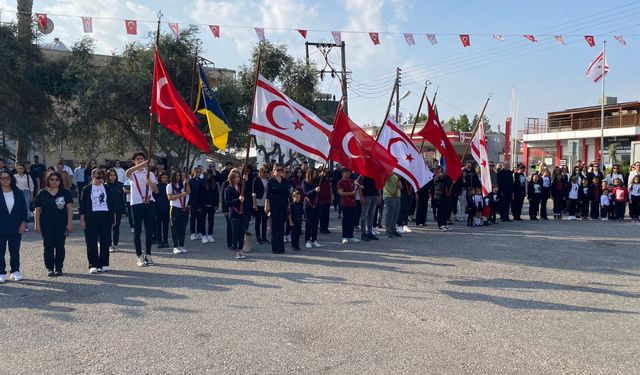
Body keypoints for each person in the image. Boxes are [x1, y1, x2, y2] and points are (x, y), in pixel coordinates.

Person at [33, 172, 73, 277]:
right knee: (48, 246)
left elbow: (69, 209)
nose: (54, 181)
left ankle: (59, 268)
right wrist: (37, 224)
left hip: (61, 224)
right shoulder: (42, 193)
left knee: (60, 246)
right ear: (48, 180)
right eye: (52, 179)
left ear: (60, 181)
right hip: (46, 224)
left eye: (56, 179)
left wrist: (69, 223)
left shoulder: (65, 193)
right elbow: (37, 210)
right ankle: (50, 268)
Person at [125, 152, 159, 267]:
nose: (140, 160)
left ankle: (148, 254)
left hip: (149, 203)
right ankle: (139, 256)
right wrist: (145, 163)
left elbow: (156, 191)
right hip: (136, 204)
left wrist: (151, 184)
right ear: (134, 161)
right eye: (138, 159)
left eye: (142, 158)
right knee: (137, 231)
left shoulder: (150, 173)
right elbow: (127, 172)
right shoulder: (132, 173)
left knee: (149, 231)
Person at [80, 169, 115, 274]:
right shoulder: (87, 189)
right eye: (98, 178)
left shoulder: (107, 188)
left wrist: (113, 218)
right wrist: (82, 219)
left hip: (105, 216)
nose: (100, 180)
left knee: (105, 240)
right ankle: (93, 264)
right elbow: (82, 205)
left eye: (102, 178)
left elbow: (111, 203)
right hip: (91, 217)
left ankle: (104, 263)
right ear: (92, 177)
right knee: (91, 241)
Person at [0, 172, 28, 283]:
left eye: (7, 178)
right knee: (0, 250)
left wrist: (23, 224)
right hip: (1, 226)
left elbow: (23, 210)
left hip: (16, 226)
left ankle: (15, 271)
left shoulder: (18, 193)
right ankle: (1, 272)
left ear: (11, 179)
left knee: (15, 250)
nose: (5, 180)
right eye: (2, 178)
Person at [265, 165, 289, 254]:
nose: (279, 171)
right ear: (273, 171)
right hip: (274, 206)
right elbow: (267, 195)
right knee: (274, 227)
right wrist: (266, 205)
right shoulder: (271, 181)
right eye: (277, 170)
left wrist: (288, 205)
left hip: (283, 205)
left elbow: (287, 194)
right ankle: (275, 248)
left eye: (281, 170)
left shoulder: (285, 181)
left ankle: (281, 247)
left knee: (281, 226)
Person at [224, 169, 246, 259]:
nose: (237, 179)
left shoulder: (242, 187)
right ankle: (236, 249)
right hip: (233, 212)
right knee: (235, 232)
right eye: (235, 177)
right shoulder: (228, 188)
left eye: (238, 177)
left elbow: (246, 195)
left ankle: (241, 249)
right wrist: (238, 200)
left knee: (241, 232)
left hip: (242, 212)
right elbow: (227, 202)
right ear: (231, 178)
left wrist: (245, 180)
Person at [167, 170, 190, 255]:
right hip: (175, 208)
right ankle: (175, 246)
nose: (178, 177)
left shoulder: (183, 185)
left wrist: (187, 183)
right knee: (175, 228)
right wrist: (180, 195)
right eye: (176, 176)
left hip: (184, 208)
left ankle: (181, 245)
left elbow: (188, 192)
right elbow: (170, 197)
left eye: (179, 175)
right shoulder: (170, 186)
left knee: (183, 228)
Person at [106, 168, 126, 252]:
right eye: (111, 175)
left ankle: (115, 244)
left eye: (114, 175)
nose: (112, 177)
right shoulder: (105, 186)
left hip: (118, 209)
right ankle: (109, 244)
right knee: (108, 227)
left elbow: (122, 198)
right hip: (107, 210)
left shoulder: (119, 186)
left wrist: (124, 210)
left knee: (116, 227)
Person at [337, 169, 359, 244]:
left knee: (352, 220)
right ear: (342, 173)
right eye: (346, 173)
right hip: (345, 204)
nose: (348, 174)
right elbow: (341, 193)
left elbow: (357, 187)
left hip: (353, 203)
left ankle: (351, 235)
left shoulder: (352, 181)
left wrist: (357, 184)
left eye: (349, 173)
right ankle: (344, 236)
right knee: (346, 220)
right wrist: (351, 193)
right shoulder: (340, 182)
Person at [302, 168, 322, 248]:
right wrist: (314, 190)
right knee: (308, 223)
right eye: (313, 173)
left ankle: (314, 239)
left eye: (316, 173)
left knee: (315, 222)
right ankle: (307, 240)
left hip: (317, 204)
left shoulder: (316, 181)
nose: (315, 175)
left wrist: (322, 175)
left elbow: (321, 178)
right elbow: (306, 193)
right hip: (308, 204)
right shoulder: (305, 182)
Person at [200, 170, 219, 244]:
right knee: (202, 220)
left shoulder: (214, 183)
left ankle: (210, 234)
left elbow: (216, 194)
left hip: (212, 204)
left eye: (210, 174)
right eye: (207, 174)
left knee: (211, 221)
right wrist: (199, 205)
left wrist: (216, 205)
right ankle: (203, 235)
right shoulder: (201, 183)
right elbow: (199, 195)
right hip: (203, 205)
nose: (209, 176)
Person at [252, 165, 269, 244]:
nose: (265, 173)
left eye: (267, 172)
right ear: (260, 172)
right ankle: (258, 238)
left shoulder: (268, 180)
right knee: (258, 221)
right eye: (264, 172)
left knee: (265, 221)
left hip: (266, 203)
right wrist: (254, 203)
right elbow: (253, 193)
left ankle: (264, 237)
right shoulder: (256, 180)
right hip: (258, 202)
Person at [13, 163, 34, 231]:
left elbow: (31, 186)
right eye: (19, 168)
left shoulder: (27, 176)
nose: (20, 170)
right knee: (17, 208)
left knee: (26, 209)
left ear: (24, 169)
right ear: (17, 169)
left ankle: (25, 225)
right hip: (17, 193)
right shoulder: (14, 176)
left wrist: (31, 195)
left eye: (21, 168)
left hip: (26, 193)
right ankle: (18, 224)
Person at [359, 175, 380, 240]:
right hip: (366, 196)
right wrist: (361, 196)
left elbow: (378, 186)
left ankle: (370, 232)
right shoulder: (362, 176)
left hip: (374, 195)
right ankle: (363, 233)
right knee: (364, 215)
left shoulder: (375, 175)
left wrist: (379, 196)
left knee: (371, 215)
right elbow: (359, 186)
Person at [382, 173, 402, 238]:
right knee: (390, 214)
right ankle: (388, 231)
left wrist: (399, 184)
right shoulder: (388, 173)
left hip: (397, 195)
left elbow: (401, 186)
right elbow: (385, 178)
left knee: (395, 214)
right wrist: (395, 172)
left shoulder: (396, 176)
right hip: (389, 195)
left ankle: (393, 229)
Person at [188, 166, 205, 242]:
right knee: (193, 218)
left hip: (200, 202)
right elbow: (188, 193)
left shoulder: (202, 181)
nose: (198, 173)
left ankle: (199, 232)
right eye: (196, 172)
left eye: (199, 172)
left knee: (200, 218)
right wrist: (189, 203)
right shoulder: (190, 181)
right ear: (193, 172)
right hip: (192, 202)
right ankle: (192, 232)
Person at [433, 167, 452, 231]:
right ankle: (440, 225)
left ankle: (444, 224)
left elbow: (449, 183)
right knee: (440, 212)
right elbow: (437, 181)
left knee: (446, 211)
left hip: (446, 197)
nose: (443, 173)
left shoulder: (446, 179)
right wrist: (442, 176)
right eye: (442, 172)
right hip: (440, 197)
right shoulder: (437, 178)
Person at [154, 173, 170, 249]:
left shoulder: (169, 186)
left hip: (167, 208)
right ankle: (159, 240)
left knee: (166, 226)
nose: (165, 179)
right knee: (158, 226)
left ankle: (165, 240)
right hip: (158, 208)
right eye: (163, 178)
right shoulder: (157, 186)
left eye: (166, 178)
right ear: (160, 178)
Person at [318, 168, 332, 234]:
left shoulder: (328, 179)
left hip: (328, 199)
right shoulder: (320, 179)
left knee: (327, 215)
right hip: (322, 199)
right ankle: (322, 228)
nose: (325, 173)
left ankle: (326, 228)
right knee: (322, 215)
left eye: (326, 171)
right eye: (324, 171)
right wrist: (321, 176)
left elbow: (330, 189)